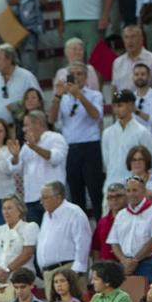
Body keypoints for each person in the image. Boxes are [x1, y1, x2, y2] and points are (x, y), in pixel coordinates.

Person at [47, 63, 104, 217]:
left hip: (90, 147)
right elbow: (51, 119)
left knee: (95, 193)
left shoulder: (95, 95)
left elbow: (96, 115)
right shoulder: (63, 98)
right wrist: (57, 96)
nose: (77, 77)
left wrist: (80, 95)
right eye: (74, 74)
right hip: (71, 149)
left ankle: (100, 233)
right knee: (76, 195)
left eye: (80, 74)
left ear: (86, 77)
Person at [3, 111, 66, 225]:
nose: (24, 129)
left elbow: (55, 158)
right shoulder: (27, 147)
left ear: (38, 123)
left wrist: (35, 147)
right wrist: (16, 156)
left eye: (26, 125)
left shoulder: (55, 138)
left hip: (52, 198)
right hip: (31, 199)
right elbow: (17, 169)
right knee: (36, 238)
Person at [109, 176, 152, 280]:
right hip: (125, 265)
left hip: (148, 263)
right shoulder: (121, 214)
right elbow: (114, 242)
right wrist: (124, 260)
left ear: (144, 191)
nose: (131, 194)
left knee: (147, 295)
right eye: (128, 190)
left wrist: (135, 260)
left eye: (135, 190)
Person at [36, 181, 93, 279]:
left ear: (58, 197)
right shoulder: (46, 215)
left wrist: (77, 270)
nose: (41, 202)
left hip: (68, 271)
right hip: (48, 273)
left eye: (45, 198)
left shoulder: (74, 212)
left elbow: (83, 241)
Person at [0, 195, 37, 294]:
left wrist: (7, 270)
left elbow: (27, 253)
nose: (6, 212)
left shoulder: (29, 227)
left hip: (22, 280)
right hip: (0, 281)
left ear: (20, 210)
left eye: (9, 208)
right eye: (4, 209)